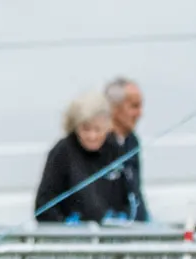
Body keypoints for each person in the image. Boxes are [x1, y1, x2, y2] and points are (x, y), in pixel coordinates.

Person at [34, 90, 135, 224]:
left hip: (111, 234)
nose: (92, 136)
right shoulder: (62, 151)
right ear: (75, 126)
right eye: (86, 129)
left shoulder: (115, 149)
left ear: (107, 127)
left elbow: (130, 197)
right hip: (74, 236)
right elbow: (43, 206)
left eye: (97, 129)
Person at [104, 76, 148, 221]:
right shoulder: (97, 144)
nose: (140, 113)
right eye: (134, 106)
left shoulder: (132, 141)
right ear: (114, 108)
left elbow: (136, 191)